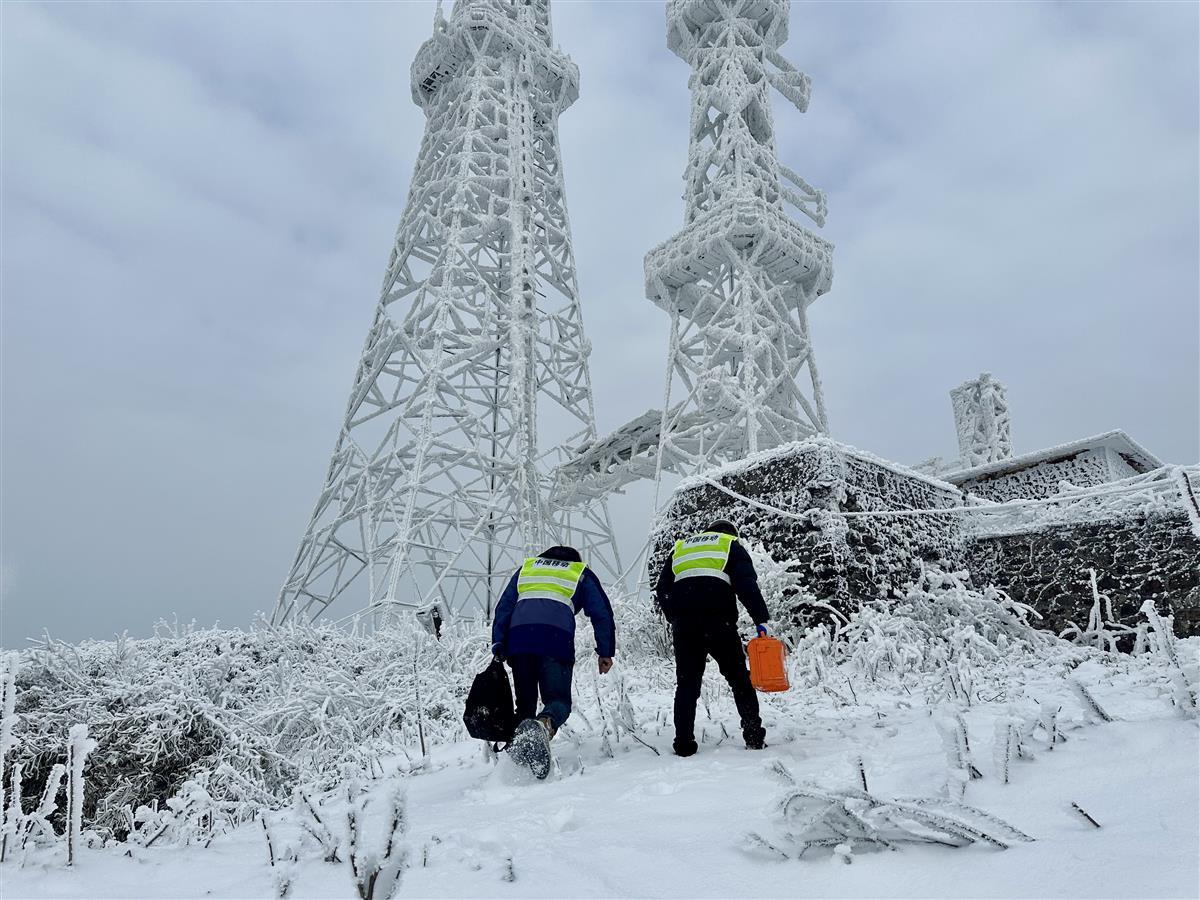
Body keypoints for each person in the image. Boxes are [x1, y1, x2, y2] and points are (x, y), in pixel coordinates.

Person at [654, 519, 769, 756]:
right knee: (739, 679)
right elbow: (746, 584)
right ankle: (754, 736)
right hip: (719, 622)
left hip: (685, 626)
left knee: (687, 684)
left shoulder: (681, 548)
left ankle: (683, 744)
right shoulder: (729, 544)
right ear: (730, 533)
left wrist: (674, 616)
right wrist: (760, 619)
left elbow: (662, 587)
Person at [491, 546, 616, 742]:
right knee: (559, 701)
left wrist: (498, 643)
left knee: (525, 706)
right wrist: (605, 651)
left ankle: (521, 753)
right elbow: (602, 614)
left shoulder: (527, 568)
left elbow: (504, 608)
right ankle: (544, 725)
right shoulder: (578, 572)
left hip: (520, 640)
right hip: (556, 639)